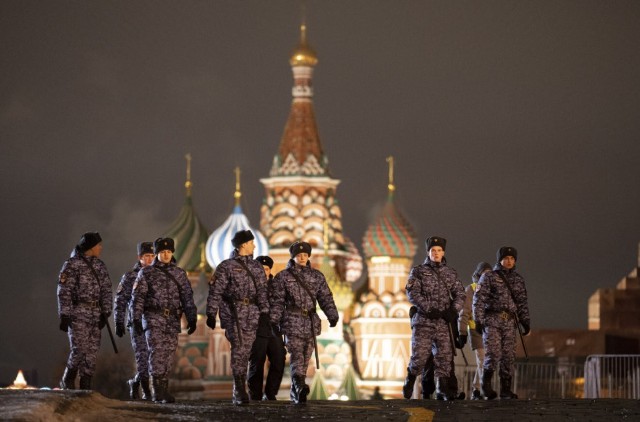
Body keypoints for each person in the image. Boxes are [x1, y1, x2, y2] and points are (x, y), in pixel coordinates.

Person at [269, 240, 339, 405]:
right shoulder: (283, 277)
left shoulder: (317, 276)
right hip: (292, 322)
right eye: (299, 255)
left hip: (310, 323)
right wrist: (273, 321)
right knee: (297, 355)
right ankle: (300, 385)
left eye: (305, 255)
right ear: (293, 257)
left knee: (306, 356)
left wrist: (332, 315)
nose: (302, 257)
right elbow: (278, 301)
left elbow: (325, 297)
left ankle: (296, 390)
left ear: (309, 256)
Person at [205, 230, 270, 405]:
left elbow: (263, 291)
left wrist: (265, 312)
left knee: (248, 351)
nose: (254, 246)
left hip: (253, 314)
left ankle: (242, 387)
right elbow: (216, 290)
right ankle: (239, 389)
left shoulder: (256, 267)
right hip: (235, 313)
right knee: (239, 350)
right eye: (251, 243)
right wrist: (211, 313)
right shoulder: (226, 266)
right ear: (243, 245)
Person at [130, 237, 197, 403]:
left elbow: (187, 297)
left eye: (169, 252)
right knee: (157, 352)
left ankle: (163, 389)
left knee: (168, 354)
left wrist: (192, 317)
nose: (166, 255)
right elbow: (137, 298)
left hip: (173, 319)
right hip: (154, 318)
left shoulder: (179, 273)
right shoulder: (146, 273)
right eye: (162, 252)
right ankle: (157, 391)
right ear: (157, 253)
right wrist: (136, 318)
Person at [403, 236, 465, 401]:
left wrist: (453, 310)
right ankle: (410, 379)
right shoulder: (419, 271)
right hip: (424, 321)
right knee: (419, 357)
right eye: (433, 251)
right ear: (428, 252)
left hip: (443, 323)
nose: (436, 253)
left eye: (439, 250)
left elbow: (460, 294)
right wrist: (428, 308)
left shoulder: (450, 273)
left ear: (443, 252)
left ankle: (444, 389)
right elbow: (412, 293)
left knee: (445, 357)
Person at [57, 231, 113, 390]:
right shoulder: (72, 265)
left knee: (92, 352)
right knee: (79, 348)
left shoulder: (100, 265)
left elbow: (107, 290)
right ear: (90, 247)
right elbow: (64, 291)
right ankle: (68, 377)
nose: (101, 248)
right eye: (98, 245)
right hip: (78, 312)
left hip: (96, 313)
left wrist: (106, 312)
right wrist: (65, 314)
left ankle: (86, 383)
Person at [473, 247, 530, 400]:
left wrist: (525, 321)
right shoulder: (489, 277)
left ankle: (506, 389)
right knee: (493, 353)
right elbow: (479, 300)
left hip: (510, 322)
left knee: (508, 356)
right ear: (500, 260)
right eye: (506, 258)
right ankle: (486, 386)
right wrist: (478, 320)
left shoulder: (518, 279)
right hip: (492, 320)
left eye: (512, 258)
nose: (509, 261)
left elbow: (522, 302)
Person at [113, 241, 155, 400]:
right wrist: (119, 322)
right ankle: (147, 393)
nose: (150, 259)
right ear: (140, 257)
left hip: (155, 323)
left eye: (152, 256)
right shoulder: (130, 276)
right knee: (143, 358)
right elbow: (120, 300)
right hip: (137, 324)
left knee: (155, 360)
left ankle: (136, 382)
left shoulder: (159, 274)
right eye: (146, 256)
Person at [247, 255, 286, 401]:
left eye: (266, 269)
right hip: (256, 327)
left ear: (270, 270)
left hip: (273, 326)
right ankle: (255, 395)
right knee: (257, 361)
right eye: (260, 269)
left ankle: (270, 394)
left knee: (279, 359)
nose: (264, 272)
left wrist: (276, 319)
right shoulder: (249, 285)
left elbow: (281, 303)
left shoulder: (276, 286)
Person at [458, 261, 492, 400]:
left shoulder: (495, 290)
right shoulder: (471, 289)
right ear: (479, 274)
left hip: (491, 330)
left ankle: (477, 389)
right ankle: (481, 390)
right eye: (484, 274)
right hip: (475, 329)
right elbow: (464, 312)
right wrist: (462, 332)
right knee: (482, 360)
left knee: (487, 361)